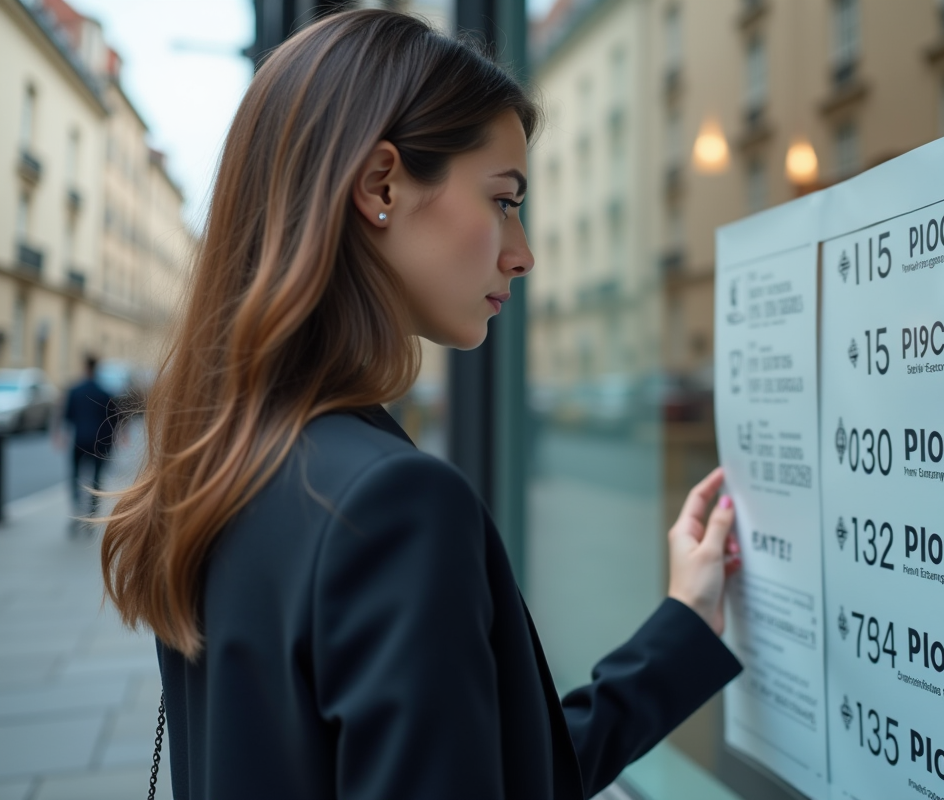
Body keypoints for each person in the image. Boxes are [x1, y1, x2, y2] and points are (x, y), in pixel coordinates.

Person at [99, 11, 744, 799]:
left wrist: (681, 629)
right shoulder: (392, 507)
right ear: (381, 185)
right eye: (504, 199)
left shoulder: (217, 466)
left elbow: (502, 772)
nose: (524, 251)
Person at [60, 354, 116, 524]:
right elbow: (112, 420)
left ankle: (77, 508)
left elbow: (68, 417)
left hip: (79, 440)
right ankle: (92, 511)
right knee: (96, 478)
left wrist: (62, 436)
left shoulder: (75, 391)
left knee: (76, 476)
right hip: (99, 443)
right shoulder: (105, 393)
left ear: (85, 367)